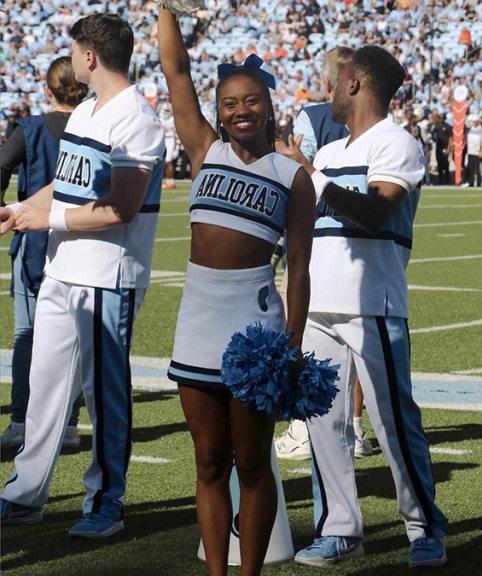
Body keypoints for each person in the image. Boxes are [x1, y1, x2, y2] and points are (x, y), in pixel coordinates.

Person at [275, 45, 448, 568]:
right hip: (319, 305)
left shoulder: (398, 143)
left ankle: (423, 528)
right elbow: (304, 228)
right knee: (324, 425)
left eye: (337, 79)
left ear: (355, 83)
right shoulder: (325, 154)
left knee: (394, 421)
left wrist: (314, 178)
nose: (328, 89)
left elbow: (376, 211)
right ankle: (340, 528)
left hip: (373, 302)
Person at [157, 7, 316, 576]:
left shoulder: (293, 176)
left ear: (270, 105)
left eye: (250, 100)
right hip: (197, 322)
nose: (240, 110)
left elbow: (298, 266)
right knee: (206, 461)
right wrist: (167, 10)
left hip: (256, 330)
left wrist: (292, 341)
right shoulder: (205, 152)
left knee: (251, 462)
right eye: (229, 103)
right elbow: (176, 71)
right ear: (218, 113)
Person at [0, 13, 165, 538]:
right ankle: (25, 494)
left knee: (105, 394)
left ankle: (107, 501)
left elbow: (122, 208)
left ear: (89, 56)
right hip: (62, 265)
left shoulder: (136, 117)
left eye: (74, 51)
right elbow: (65, 185)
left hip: (106, 274)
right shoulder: (87, 109)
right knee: (46, 385)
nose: (72, 59)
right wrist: (21, 208)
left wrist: (43, 218)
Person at [274, 45, 380, 462]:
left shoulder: (313, 116)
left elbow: (301, 175)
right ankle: (354, 426)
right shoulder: (371, 128)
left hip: (317, 236)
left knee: (306, 329)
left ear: (330, 82)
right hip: (358, 242)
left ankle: (304, 427)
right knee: (354, 341)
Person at [0, 56, 88, 453]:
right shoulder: (94, 123)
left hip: (35, 241)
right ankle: (69, 422)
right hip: (80, 239)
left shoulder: (32, 128)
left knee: (28, 335)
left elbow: (1, 166)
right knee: (76, 338)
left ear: (48, 88)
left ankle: (21, 421)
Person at [428, 112, 452, 185]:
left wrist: (448, 148)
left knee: (446, 164)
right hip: (438, 147)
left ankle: (447, 181)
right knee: (439, 164)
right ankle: (440, 180)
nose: (441, 119)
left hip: (445, 147)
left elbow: (451, 138)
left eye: (442, 118)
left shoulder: (448, 126)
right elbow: (432, 134)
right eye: (440, 118)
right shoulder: (436, 126)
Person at [159, 102, 179, 189]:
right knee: (160, 160)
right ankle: (162, 180)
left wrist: (177, 147)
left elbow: (177, 133)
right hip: (162, 139)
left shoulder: (173, 119)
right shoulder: (159, 118)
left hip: (170, 139)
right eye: (165, 110)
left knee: (168, 161)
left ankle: (170, 180)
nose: (166, 112)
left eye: (168, 110)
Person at [464, 114, 482, 187]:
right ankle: (471, 182)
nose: (473, 123)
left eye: (474, 121)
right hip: (470, 151)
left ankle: (478, 183)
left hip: (477, 152)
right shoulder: (470, 129)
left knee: (477, 168)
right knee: (471, 168)